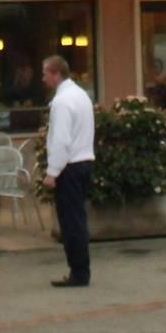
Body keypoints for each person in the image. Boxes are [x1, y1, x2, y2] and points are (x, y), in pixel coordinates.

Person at [40, 54, 95, 288]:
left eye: (45, 74)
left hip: (69, 167)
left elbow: (61, 140)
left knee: (70, 222)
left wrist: (52, 172)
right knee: (78, 219)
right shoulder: (81, 95)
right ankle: (81, 269)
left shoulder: (62, 103)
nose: (43, 79)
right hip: (84, 162)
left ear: (55, 74)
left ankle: (78, 272)